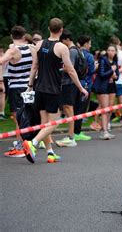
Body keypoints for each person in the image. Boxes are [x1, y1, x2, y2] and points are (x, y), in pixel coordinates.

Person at [23, 18, 88, 164]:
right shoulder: (61, 48)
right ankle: (33, 143)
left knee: (45, 123)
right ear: (61, 30)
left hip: (39, 88)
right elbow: (71, 70)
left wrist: (30, 85)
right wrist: (81, 87)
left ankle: (50, 153)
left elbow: (34, 67)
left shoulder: (38, 44)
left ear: (48, 28)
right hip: (52, 90)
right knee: (54, 123)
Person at [0, 26, 37, 157]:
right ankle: (30, 143)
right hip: (30, 86)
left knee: (18, 119)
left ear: (11, 36)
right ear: (24, 36)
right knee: (28, 116)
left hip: (17, 87)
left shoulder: (13, 51)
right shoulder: (32, 48)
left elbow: (1, 61)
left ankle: (21, 147)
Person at [55, 30, 85, 147]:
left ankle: (70, 136)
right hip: (73, 83)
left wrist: (59, 69)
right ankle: (70, 136)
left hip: (68, 83)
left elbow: (69, 68)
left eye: (62, 41)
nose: (61, 44)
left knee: (68, 109)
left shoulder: (71, 51)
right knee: (69, 109)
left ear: (67, 39)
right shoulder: (78, 50)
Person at [93, 44, 119, 140]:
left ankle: (105, 128)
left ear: (115, 52)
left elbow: (117, 76)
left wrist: (115, 76)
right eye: (109, 50)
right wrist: (111, 71)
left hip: (112, 86)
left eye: (113, 50)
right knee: (105, 109)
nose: (111, 52)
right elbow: (102, 74)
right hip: (103, 86)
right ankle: (104, 131)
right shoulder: (103, 60)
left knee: (110, 109)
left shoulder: (115, 61)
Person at [73, 35, 96, 141]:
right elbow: (91, 71)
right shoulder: (89, 56)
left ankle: (72, 131)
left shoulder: (73, 52)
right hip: (86, 84)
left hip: (74, 83)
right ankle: (77, 132)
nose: (90, 46)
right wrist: (95, 67)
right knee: (81, 109)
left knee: (73, 108)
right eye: (90, 43)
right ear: (86, 44)